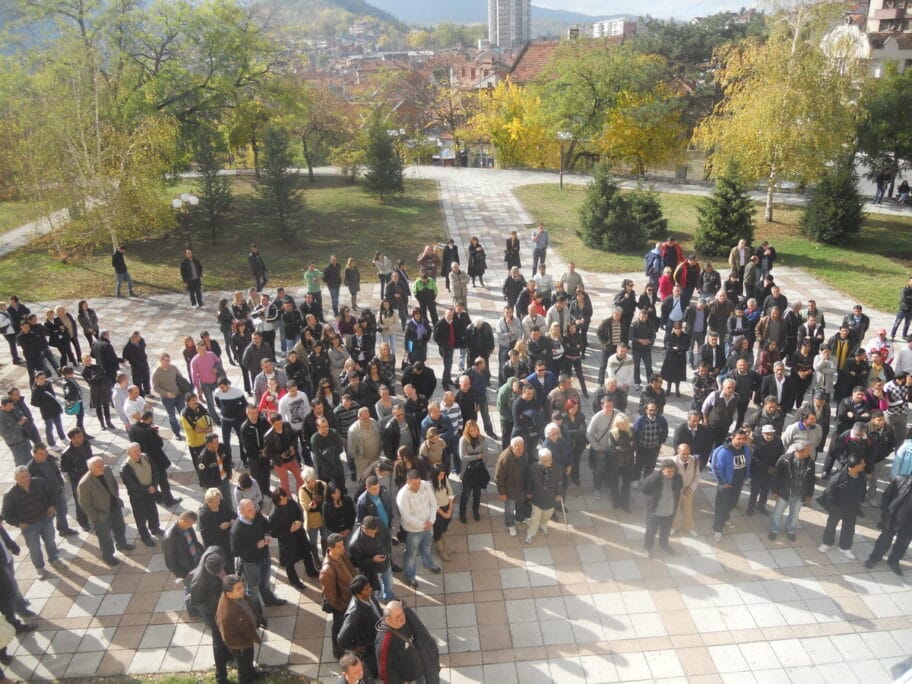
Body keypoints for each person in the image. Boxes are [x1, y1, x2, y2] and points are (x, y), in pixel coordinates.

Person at [2, 466, 62, 579]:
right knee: (34, 548)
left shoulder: (39, 482)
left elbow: (52, 493)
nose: (26, 479)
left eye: (27, 475)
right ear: (16, 479)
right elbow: (6, 514)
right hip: (29, 526)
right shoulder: (10, 495)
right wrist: (18, 524)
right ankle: (40, 569)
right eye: (22, 477)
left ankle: (54, 559)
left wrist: (52, 505)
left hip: (45, 519)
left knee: (50, 541)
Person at [186, 545, 232, 684]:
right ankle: (221, 677)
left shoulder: (216, 551)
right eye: (217, 574)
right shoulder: (199, 582)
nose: (220, 574)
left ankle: (228, 654)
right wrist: (217, 605)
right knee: (218, 640)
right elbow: (197, 602)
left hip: (226, 602)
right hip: (212, 611)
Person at [76, 457, 134, 566]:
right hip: (101, 514)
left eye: (102, 464)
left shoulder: (107, 470)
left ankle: (121, 544)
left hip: (114, 507)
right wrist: (96, 517)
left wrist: (116, 497)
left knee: (120, 527)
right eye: (98, 466)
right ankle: (108, 556)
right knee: (105, 538)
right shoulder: (84, 483)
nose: (102, 467)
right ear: (91, 468)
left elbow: (113, 484)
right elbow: (84, 504)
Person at [231, 498, 286, 611]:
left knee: (265, 582)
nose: (253, 512)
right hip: (251, 563)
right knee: (253, 590)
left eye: (253, 509)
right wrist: (256, 546)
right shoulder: (237, 530)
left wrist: (266, 534)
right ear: (241, 511)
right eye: (250, 510)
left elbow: (266, 524)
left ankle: (270, 600)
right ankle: (257, 614)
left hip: (264, 556)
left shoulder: (256, 515)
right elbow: (236, 551)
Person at [374, 600, 441, 684]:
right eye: (397, 617)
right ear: (388, 619)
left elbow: (423, 635)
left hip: (421, 669)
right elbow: (385, 673)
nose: (402, 618)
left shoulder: (406, 616)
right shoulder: (384, 641)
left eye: (402, 613)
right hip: (409, 679)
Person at [396, 470, 441, 589]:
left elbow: (433, 503)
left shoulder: (425, 485)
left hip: (428, 526)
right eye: (414, 484)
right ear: (407, 481)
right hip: (413, 531)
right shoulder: (402, 496)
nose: (417, 486)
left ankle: (429, 564)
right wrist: (424, 525)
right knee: (411, 554)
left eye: (418, 483)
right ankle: (410, 577)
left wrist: (431, 520)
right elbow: (407, 517)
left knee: (427, 547)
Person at [215, 575, 264, 683]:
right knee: (243, 668)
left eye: (242, 586)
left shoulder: (237, 596)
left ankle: (252, 673)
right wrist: (243, 644)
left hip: (247, 641)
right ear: (229, 593)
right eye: (239, 589)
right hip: (240, 646)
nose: (243, 590)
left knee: (248, 661)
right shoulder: (226, 613)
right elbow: (227, 636)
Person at [818, 454, 867, 560]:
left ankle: (845, 547)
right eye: (862, 464)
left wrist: (859, 501)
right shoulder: (838, 478)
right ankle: (827, 542)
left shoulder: (861, 476)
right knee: (831, 525)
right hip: (837, 508)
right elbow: (829, 494)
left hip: (852, 508)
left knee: (849, 528)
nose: (864, 465)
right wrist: (834, 507)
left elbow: (862, 491)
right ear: (854, 466)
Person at [268, 487, 319, 590]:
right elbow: (273, 533)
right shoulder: (274, 515)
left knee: (306, 553)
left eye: (285, 498)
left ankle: (311, 571)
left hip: (299, 534)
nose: (285, 501)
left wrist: (300, 521)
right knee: (289, 562)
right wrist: (289, 531)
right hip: (288, 540)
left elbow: (299, 512)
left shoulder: (291, 502)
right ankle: (294, 581)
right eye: (282, 500)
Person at [709, 428, 751, 542]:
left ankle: (725, 518)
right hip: (726, 485)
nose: (741, 441)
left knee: (732, 503)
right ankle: (717, 528)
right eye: (739, 439)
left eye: (744, 439)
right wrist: (723, 483)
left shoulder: (746, 449)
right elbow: (717, 468)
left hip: (738, 483)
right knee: (721, 507)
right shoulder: (724, 451)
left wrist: (746, 477)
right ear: (733, 437)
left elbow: (748, 463)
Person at [768, 440, 815, 542]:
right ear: (800, 451)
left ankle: (790, 530)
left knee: (794, 514)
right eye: (807, 451)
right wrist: (775, 491)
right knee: (778, 513)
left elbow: (811, 480)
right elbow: (776, 476)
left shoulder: (810, 462)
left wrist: (809, 494)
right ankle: (774, 530)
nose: (809, 453)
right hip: (784, 493)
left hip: (799, 494)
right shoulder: (785, 460)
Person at [27, 444, 78, 537]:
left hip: (57, 490)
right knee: (49, 517)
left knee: (63, 511)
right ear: (34, 454)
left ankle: (63, 529)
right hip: (46, 496)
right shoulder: (31, 469)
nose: (45, 455)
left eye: (46, 452)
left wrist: (61, 483)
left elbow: (56, 471)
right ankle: (49, 536)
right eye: (41, 454)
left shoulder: (49, 458)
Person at [865, 473, 912, 575]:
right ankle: (874, 558)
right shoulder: (900, 480)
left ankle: (894, 561)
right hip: (893, 519)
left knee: (902, 545)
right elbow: (887, 496)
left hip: (909, 525)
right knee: (883, 541)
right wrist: (886, 511)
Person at [320, 532, 358, 659]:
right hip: (342, 605)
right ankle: (338, 651)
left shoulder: (341, 555)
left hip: (350, 599)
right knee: (338, 628)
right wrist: (342, 607)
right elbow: (331, 597)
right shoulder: (327, 571)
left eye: (343, 545)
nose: (343, 548)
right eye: (339, 547)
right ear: (330, 549)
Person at [338, 575, 382, 680]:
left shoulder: (369, 596)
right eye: (366, 589)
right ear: (358, 594)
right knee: (374, 671)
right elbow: (342, 639)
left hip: (378, 639)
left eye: (369, 586)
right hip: (370, 649)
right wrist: (354, 647)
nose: (370, 589)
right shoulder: (354, 614)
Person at [121, 442, 164, 546]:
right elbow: (132, 485)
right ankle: (145, 537)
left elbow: (154, 471)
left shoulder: (146, 457)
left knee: (153, 512)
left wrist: (154, 485)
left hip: (151, 491)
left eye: (138, 450)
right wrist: (148, 488)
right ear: (129, 453)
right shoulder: (125, 468)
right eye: (134, 452)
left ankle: (155, 528)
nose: (138, 453)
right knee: (141, 517)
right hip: (138, 496)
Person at [348, 515, 395, 602]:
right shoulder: (355, 544)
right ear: (363, 528)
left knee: (389, 583)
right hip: (372, 571)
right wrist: (373, 560)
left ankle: (389, 597)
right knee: (374, 591)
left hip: (385, 563)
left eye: (375, 532)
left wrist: (387, 553)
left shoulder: (379, 523)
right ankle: (375, 603)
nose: (373, 535)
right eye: (370, 533)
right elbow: (357, 563)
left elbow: (387, 538)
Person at [641, 459, 682, 557]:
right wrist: (651, 501)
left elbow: (679, 488)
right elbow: (645, 489)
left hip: (670, 512)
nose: (671, 474)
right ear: (662, 470)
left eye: (672, 471)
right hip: (655, 512)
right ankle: (647, 547)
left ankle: (664, 544)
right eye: (668, 471)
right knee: (651, 531)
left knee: (665, 531)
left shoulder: (678, 478)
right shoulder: (654, 478)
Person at [524, 448, 560, 545]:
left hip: (550, 498)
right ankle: (530, 534)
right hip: (537, 498)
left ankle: (543, 526)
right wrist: (528, 492)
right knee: (535, 518)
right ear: (540, 459)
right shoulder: (533, 468)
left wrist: (559, 494)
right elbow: (529, 481)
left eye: (549, 460)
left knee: (547, 515)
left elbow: (559, 482)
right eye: (545, 460)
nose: (548, 462)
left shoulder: (556, 468)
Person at [746, 424, 784, 516]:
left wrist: (775, 467)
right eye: (767, 434)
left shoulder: (778, 442)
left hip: (771, 471)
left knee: (765, 490)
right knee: (755, 490)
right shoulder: (757, 442)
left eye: (771, 434)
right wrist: (767, 468)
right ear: (763, 434)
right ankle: (751, 507)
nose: (769, 436)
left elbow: (781, 455)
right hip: (758, 471)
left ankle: (761, 505)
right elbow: (754, 458)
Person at [494, 437, 528, 536]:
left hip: (521, 488)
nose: (521, 450)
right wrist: (502, 493)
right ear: (512, 447)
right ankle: (510, 525)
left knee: (520, 505)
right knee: (509, 509)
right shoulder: (505, 458)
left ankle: (519, 520)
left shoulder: (522, 452)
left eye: (522, 448)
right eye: (519, 449)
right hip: (509, 491)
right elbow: (498, 477)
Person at [199, 487, 236, 565]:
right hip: (218, 542)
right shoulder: (204, 514)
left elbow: (231, 512)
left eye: (218, 500)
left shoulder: (222, 503)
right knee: (225, 562)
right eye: (215, 502)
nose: (218, 503)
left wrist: (233, 518)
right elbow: (205, 534)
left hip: (228, 536)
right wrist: (219, 528)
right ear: (208, 502)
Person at [162, 511, 204, 580]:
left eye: (192, 524)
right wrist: (183, 575)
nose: (191, 526)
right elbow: (170, 561)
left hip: (197, 560)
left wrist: (203, 552)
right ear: (181, 521)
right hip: (187, 568)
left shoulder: (188, 526)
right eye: (189, 524)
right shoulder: (170, 538)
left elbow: (194, 542)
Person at [429, 464, 454, 560]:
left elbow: (450, 494)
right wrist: (444, 514)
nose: (442, 477)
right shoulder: (430, 486)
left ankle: (444, 547)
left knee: (444, 528)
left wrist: (450, 509)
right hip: (437, 512)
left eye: (443, 474)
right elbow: (433, 504)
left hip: (447, 507)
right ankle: (441, 551)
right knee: (438, 531)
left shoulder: (444, 479)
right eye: (440, 475)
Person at [0, 395, 32, 467]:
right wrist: (18, 424)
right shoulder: (1, 417)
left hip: (24, 437)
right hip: (15, 443)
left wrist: (24, 419)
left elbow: (20, 415)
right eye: (9, 406)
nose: (11, 407)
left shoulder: (13, 409)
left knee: (29, 458)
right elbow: (4, 433)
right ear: (2, 406)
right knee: (20, 462)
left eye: (12, 405)